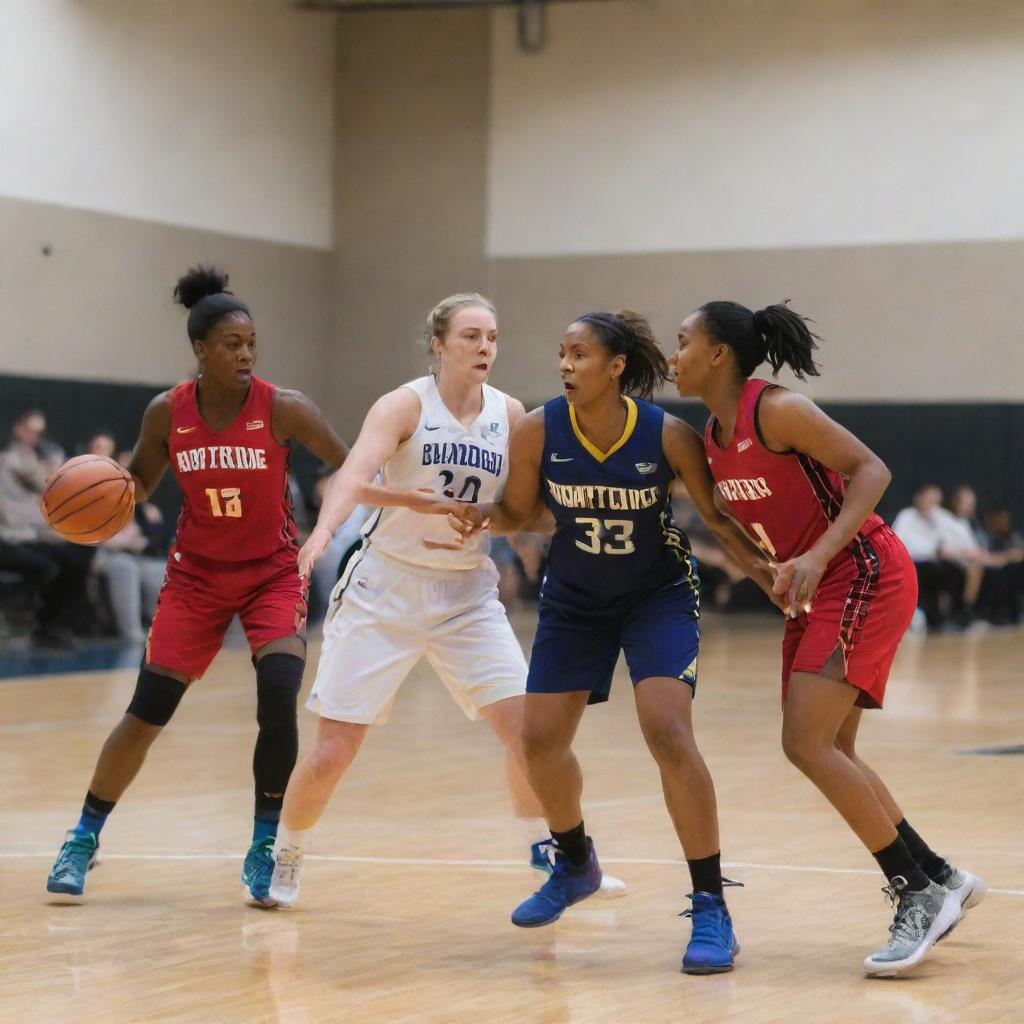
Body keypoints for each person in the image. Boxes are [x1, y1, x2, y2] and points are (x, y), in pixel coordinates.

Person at [266, 293, 624, 909]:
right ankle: (286, 853)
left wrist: (553, 526)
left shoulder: (509, 413)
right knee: (333, 750)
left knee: (529, 734)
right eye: (470, 336)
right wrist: (323, 533)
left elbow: (525, 507)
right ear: (438, 344)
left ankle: (553, 852)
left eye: (492, 337)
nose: (484, 347)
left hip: (465, 594)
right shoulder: (405, 404)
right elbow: (352, 475)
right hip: (386, 588)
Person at [448, 310, 778, 974]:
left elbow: (717, 518)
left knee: (667, 731)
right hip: (575, 600)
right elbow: (518, 514)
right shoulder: (538, 430)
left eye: (581, 355)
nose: (566, 366)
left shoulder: (668, 436)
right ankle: (574, 862)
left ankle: (711, 904)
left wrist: (774, 584)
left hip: (655, 595)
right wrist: (483, 513)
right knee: (539, 743)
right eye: (562, 355)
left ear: (617, 366)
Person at [670, 299, 985, 977]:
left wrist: (815, 558)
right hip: (815, 589)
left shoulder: (775, 409)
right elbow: (735, 527)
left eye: (683, 341)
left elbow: (872, 469)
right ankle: (936, 873)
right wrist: (773, 577)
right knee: (831, 746)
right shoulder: (714, 433)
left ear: (719, 353)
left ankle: (918, 894)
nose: (674, 355)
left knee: (805, 742)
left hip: (863, 568)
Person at [45, 266, 349, 904]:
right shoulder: (167, 414)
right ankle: (83, 835)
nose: (246, 354)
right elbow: (133, 488)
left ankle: (265, 844)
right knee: (147, 711)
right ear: (201, 351)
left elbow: (351, 461)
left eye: (251, 343)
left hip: (271, 573)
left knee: (279, 693)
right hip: (196, 578)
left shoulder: (284, 406)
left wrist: (341, 525)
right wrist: (84, 507)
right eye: (232, 344)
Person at [0, 410, 96, 646]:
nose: (35, 437)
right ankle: (31, 622)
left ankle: (54, 625)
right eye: (30, 430)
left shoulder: (46, 462)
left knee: (77, 561)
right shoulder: (7, 462)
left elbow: (51, 495)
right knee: (49, 566)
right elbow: (14, 516)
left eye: (39, 432)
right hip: (11, 539)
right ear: (18, 429)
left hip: (36, 538)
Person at [84, 433, 165, 643]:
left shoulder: (127, 490)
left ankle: (164, 631)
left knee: (161, 570)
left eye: (106, 449)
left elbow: (147, 533)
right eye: (97, 448)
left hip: (133, 551)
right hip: (99, 552)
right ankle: (130, 632)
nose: (102, 454)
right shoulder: (79, 484)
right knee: (125, 567)